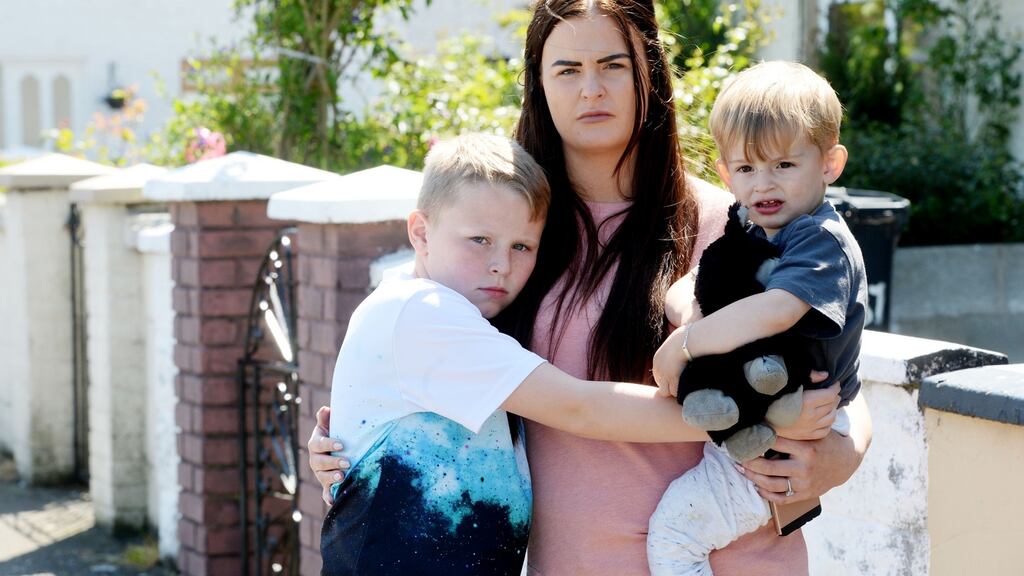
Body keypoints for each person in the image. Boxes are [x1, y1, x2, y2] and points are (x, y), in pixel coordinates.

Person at [310, 2, 873, 574]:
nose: (592, 90)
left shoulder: (737, 222)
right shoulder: (509, 233)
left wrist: (838, 454)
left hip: (728, 560)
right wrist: (355, 449)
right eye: (568, 69)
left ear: (647, 73)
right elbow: (420, 357)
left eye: (613, 65)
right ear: (539, 82)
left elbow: (839, 365)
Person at [323, 132, 730, 576]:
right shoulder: (423, 314)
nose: (501, 264)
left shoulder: (443, 311)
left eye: (522, 246)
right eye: (479, 240)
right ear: (421, 232)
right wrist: (738, 418)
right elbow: (579, 407)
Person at [645, 60, 867, 576]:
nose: (764, 184)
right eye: (746, 169)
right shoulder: (753, 227)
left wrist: (686, 346)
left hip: (794, 430)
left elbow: (779, 307)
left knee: (675, 533)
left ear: (830, 164)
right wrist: (695, 318)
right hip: (765, 410)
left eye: (784, 166)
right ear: (725, 174)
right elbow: (687, 287)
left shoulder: (820, 239)